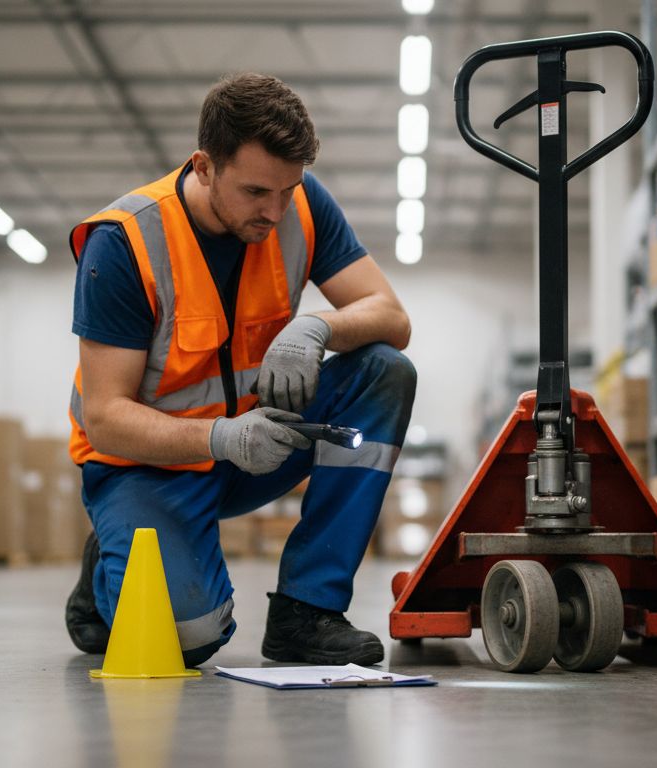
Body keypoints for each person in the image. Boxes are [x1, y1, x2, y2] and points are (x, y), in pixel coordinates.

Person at [64, 73, 415, 667]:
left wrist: (317, 327)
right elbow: (104, 418)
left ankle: (308, 609)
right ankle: (108, 568)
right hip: (148, 467)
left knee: (384, 371)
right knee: (190, 637)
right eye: (256, 191)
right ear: (204, 167)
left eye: (288, 189)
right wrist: (220, 436)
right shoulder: (125, 245)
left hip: (261, 447)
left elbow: (391, 316)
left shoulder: (300, 206)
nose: (275, 211)